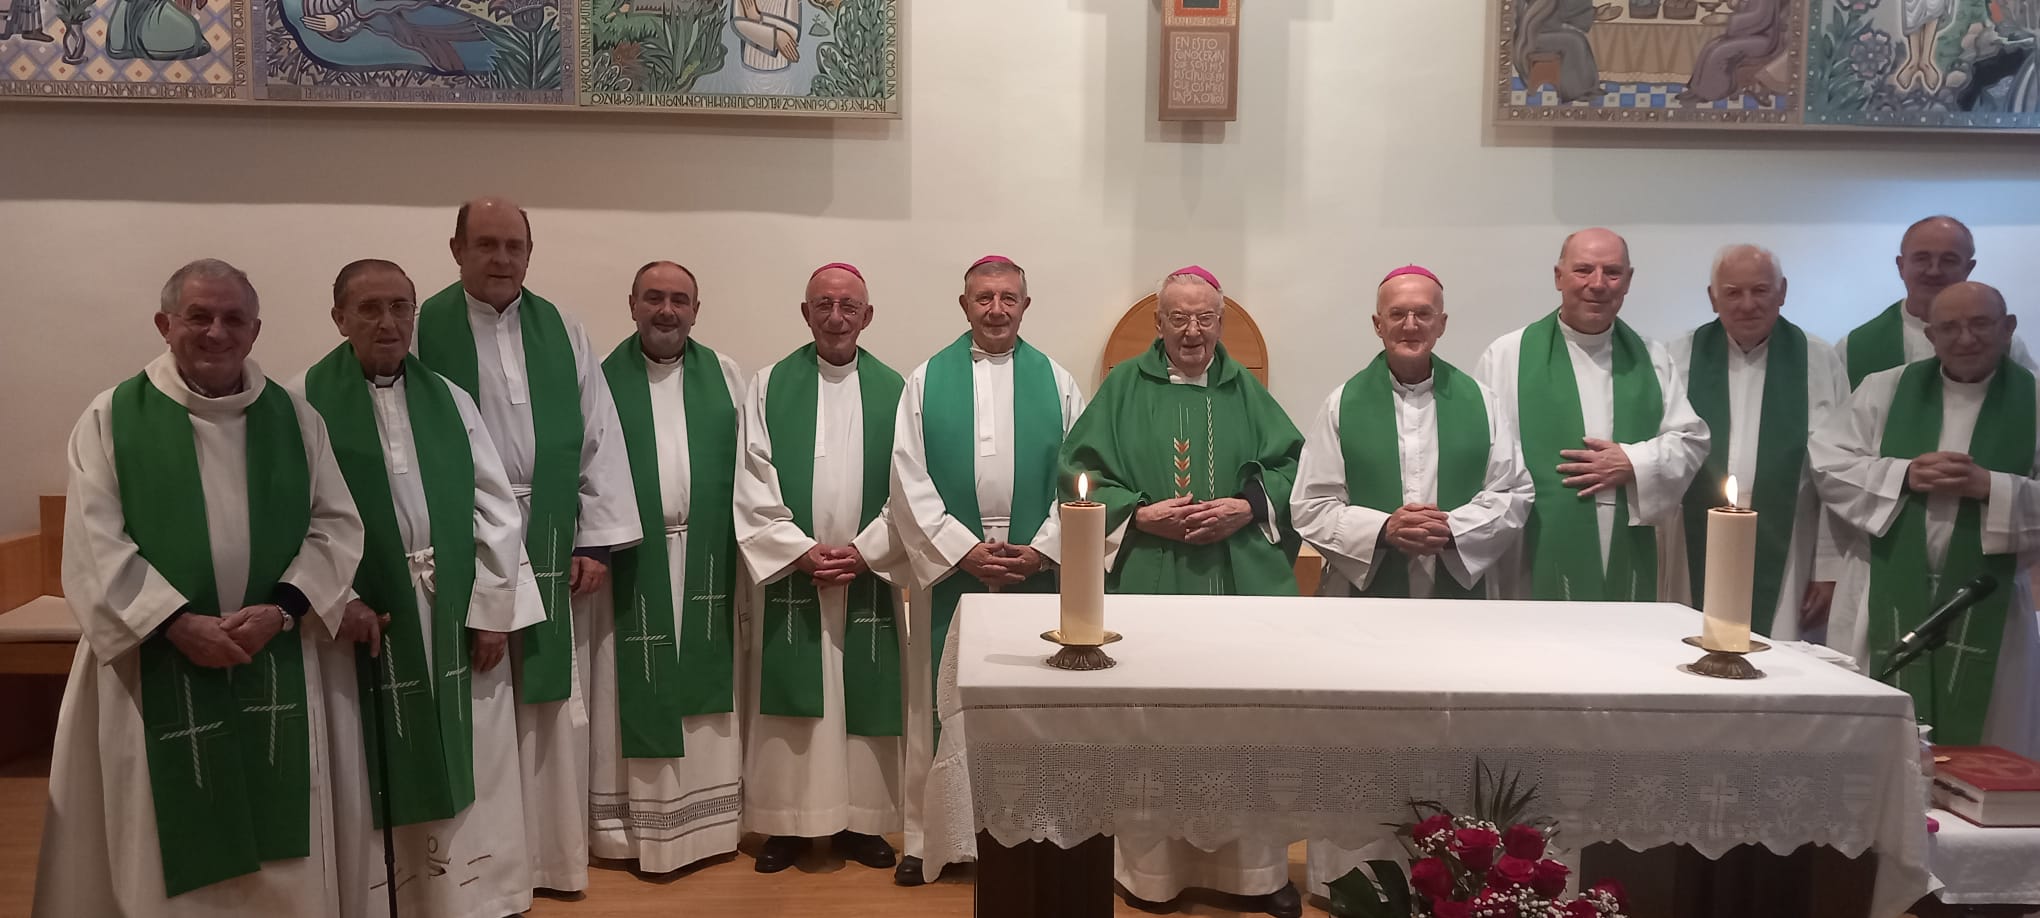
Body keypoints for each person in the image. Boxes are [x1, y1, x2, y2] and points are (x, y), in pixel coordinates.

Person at [34, 259, 364, 918]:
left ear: (255, 330)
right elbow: (94, 543)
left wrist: (283, 610)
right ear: (165, 324)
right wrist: (174, 622)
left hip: (270, 652)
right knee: (154, 826)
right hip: (152, 658)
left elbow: (335, 525)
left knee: (281, 827)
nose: (217, 332)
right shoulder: (112, 417)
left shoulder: (295, 419)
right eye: (199, 316)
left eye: (234, 318)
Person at [1058, 265, 1305, 918]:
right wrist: (1139, 515)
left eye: (1204, 318)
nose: (1192, 331)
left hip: (1233, 582)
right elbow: (1078, 473)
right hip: (1149, 575)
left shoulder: (1244, 389)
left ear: (1220, 323)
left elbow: (1293, 467)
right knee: (1153, 725)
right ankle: (1152, 874)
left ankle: (1254, 874)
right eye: (1179, 318)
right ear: (1158, 323)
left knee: (1244, 727)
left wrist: (1246, 507)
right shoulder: (1122, 388)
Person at [412, 196, 641, 893]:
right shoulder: (422, 328)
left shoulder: (561, 329)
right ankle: (482, 866)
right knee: (479, 699)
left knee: (547, 704)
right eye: (486, 244)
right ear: (456, 250)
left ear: (530, 253)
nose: (502, 259)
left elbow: (599, 434)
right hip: (464, 533)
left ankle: (549, 858)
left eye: (514, 246)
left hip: (551, 533)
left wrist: (594, 542)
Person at [298, 258, 535, 918]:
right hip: (361, 622)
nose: (388, 322)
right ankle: (380, 901)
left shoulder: (450, 399)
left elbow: (496, 508)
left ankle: (478, 897)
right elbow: (292, 520)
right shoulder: (303, 402)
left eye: (401, 307)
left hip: (450, 608)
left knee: (476, 753)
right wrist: (336, 601)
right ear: (339, 317)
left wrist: (492, 609)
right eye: (369, 308)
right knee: (365, 757)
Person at [1292, 264, 1533, 897]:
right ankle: (1349, 882)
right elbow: (1310, 505)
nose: (1410, 323)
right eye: (1397, 313)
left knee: (1450, 742)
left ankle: (1452, 882)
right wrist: (1382, 529)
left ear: (1442, 323)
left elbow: (1514, 491)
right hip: (1362, 612)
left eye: (1423, 313)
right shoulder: (1342, 403)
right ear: (1377, 324)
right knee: (1360, 742)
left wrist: (1453, 528)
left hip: (1459, 607)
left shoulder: (1482, 402)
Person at [888, 255, 1086, 886]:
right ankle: (930, 838)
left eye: (1008, 298)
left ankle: (1031, 832)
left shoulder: (1058, 382)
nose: (996, 309)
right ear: (964, 305)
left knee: (1029, 700)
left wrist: (1044, 549)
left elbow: (1082, 477)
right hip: (956, 565)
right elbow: (906, 478)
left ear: (1025, 305)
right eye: (984, 298)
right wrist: (960, 549)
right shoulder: (926, 380)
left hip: (1032, 565)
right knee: (942, 700)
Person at [1810, 281, 2040, 757]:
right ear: (1931, 335)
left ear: (2008, 328)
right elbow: (1827, 464)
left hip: (1990, 599)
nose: (1965, 338)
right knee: (1873, 749)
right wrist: (1904, 475)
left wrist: (1992, 487)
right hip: (1883, 587)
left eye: (1980, 324)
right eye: (1949, 327)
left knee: (1989, 744)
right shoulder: (1884, 390)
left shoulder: (2034, 400)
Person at [734, 262, 910, 875]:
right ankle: (787, 824)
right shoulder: (767, 385)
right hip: (796, 574)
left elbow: (910, 483)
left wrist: (867, 550)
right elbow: (752, 477)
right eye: (824, 306)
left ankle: (864, 821)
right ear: (805, 313)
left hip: (866, 575)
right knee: (793, 702)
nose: (836, 318)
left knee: (864, 700)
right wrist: (797, 549)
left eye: (848, 307)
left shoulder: (897, 390)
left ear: (867, 315)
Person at [590, 261, 748, 872]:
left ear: (696, 310)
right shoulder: (601, 379)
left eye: (679, 299)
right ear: (632, 304)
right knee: (631, 685)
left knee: (705, 695)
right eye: (653, 298)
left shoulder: (726, 376)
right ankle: (632, 833)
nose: (666, 310)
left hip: (708, 557)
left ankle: (710, 828)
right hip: (633, 562)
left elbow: (751, 465)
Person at [1473, 228, 1710, 602]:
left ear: (1628, 281)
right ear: (1558, 277)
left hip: (1627, 538)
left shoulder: (1652, 358)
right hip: (1533, 548)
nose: (1598, 284)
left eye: (1612, 272)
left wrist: (1633, 462)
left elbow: (1691, 439)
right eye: (1583, 270)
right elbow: (1483, 453)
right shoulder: (1507, 356)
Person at [1665, 245, 1848, 641]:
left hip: (1790, 539)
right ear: (1713, 297)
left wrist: (1829, 568)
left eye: (1760, 290)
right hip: (1691, 535)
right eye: (1733, 292)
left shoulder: (1818, 360)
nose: (1747, 304)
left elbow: (1838, 471)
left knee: (1777, 652)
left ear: (1782, 292)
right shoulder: (1676, 356)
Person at [1837, 215, 2035, 388]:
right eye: (1922, 258)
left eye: (1949, 260)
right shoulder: (1852, 348)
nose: (1934, 271)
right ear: (1901, 266)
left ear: (1968, 269)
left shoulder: (2003, 343)